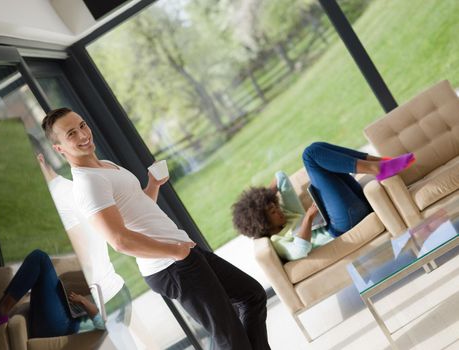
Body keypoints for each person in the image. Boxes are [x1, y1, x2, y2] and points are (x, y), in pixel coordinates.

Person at [41, 107, 270, 350]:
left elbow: (137, 211)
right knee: (229, 336)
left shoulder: (105, 166)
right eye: (71, 134)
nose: (83, 134)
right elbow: (119, 240)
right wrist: (175, 251)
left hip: (180, 252)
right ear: (59, 148)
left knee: (251, 295)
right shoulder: (88, 183)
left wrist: (153, 185)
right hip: (169, 264)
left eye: (82, 125)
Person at [232, 142, 415, 261]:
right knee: (310, 155)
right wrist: (308, 219)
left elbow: (280, 178)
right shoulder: (277, 241)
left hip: (354, 205)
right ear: (263, 224)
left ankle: (381, 162)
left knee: (316, 149)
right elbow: (300, 249)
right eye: (272, 213)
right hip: (341, 227)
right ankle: (377, 167)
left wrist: (265, 200)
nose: (278, 211)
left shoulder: (287, 213)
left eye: (275, 207)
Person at [36, 154, 138, 349]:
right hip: (114, 291)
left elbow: (83, 261)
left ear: (40, 159)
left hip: (100, 304)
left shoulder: (57, 202)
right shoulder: (72, 186)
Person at [0, 249, 104, 337]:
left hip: (69, 326)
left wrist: (83, 301)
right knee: (40, 263)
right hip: (65, 312)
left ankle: (0, 312)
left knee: (40, 258)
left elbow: (101, 324)